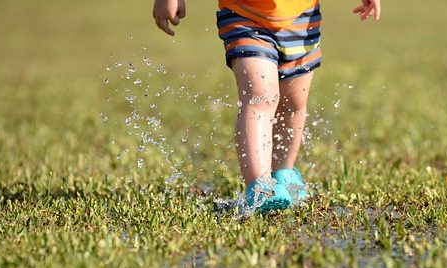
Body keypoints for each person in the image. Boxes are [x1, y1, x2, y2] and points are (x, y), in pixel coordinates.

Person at [152, 0, 382, 211]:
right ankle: (259, 186)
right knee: (260, 97)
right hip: (245, 15)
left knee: (294, 103)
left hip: (302, 18)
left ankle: (283, 172)